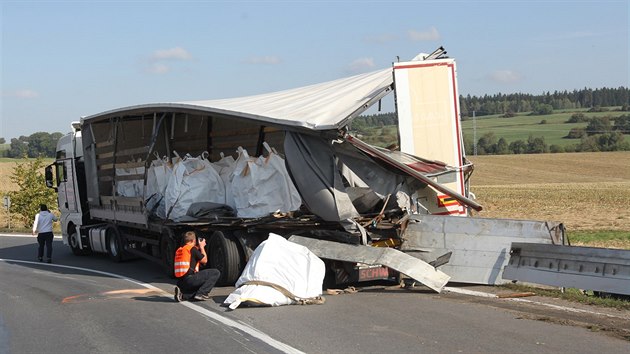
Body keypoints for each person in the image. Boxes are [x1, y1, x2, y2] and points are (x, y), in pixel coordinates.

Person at [173, 231, 221, 302]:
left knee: (197, 291)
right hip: (190, 280)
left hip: (181, 283)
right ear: (193, 240)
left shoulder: (180, 250)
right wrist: (202, 247)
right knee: (215, 272)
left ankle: (183, 296)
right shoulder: (192, 249)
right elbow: (205, 260)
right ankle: (202, 294)